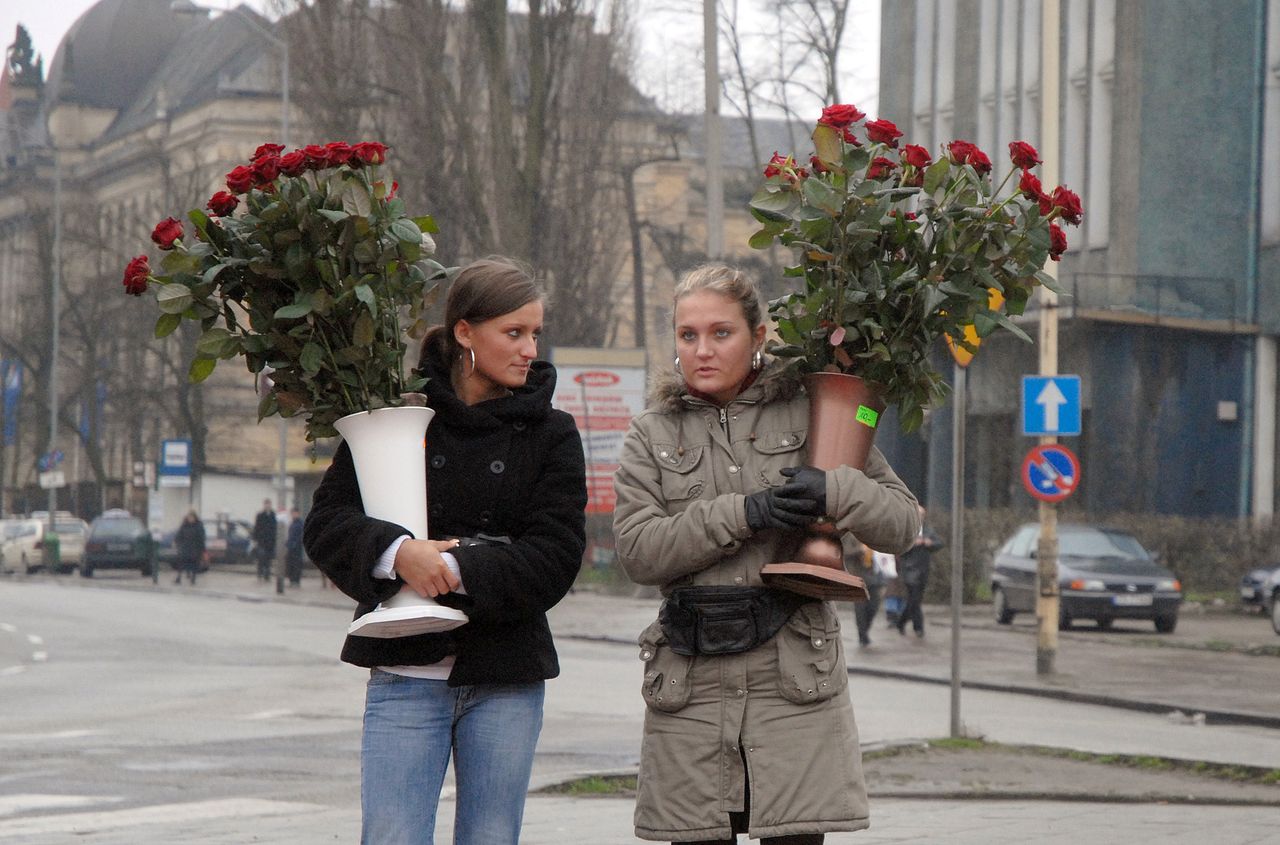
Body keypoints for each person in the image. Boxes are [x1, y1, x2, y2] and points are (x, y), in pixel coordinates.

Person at [612, 264, 920, 844]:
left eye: (720, 333)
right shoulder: (650, 434)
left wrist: (834, 490)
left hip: (794, 685)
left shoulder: (815, 409)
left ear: (758, 336)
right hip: (692, 688)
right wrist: (745, 512)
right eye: (687, 335)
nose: (702, 350)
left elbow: (902, 523)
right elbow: (638, 551)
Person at [304, 257, 587, 845]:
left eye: (535, 332)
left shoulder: (551, 432)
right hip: (406, 670)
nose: (530, 348)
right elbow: (328, 523)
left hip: (506, 674)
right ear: (465, 332)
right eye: (514, 332)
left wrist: (452, 567)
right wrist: (397, 554)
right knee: (392, 838)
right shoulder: (398, 414)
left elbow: (556, 556)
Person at [895, 505, 943, 637]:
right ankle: (918, 628)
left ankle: (901, 622)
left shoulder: (928, 530)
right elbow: (898, 547)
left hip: (923, 570)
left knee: (914, 599)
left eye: (922, 515)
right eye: (918, 515)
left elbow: (939, 543)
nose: (920, 518)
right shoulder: (906, 530)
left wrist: (929, 543)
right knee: (914, 599)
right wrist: (912, 543)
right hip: (909, 569)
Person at [850, 540, 894, 648]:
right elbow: (846, 553)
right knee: (860, 609)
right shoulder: (853, 538)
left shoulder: (877, 541)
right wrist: (859, 550)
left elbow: (885, 562)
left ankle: (865, 629)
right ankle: (862, 635)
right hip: (858, 579)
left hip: (875, 580)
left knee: (873, 607)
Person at [174, 509, 206, 586]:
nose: (190, 519)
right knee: (181, 563)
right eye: (189, 517)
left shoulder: (199, 526)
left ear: (195, 517)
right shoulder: (184, 525)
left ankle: (193, 579)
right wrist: (178, 543)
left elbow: (202, 537)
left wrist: (202, 549)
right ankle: (178, 578)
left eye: (192, 517)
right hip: (185, 547)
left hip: (195, 548)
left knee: (194, 564)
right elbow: (179, 535)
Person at [252, 499, 277, 582]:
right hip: (261, 541)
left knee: (268, 559)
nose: (267, 506)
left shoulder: (273, 515)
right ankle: (260, 573)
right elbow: (256, 528)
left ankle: (267, 575)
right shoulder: (260, 515)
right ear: (264, 505)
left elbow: (275, 528)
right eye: (266, 504)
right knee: (261, 558)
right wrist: (255, 539)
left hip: (270, 542)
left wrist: (275, 539)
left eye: (269, 504)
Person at [285, 507, 305, 587]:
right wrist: (287, 543)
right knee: (291, 564)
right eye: (292, 513)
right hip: (291, 548)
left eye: (295, 513)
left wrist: (295, 543)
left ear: (298, 513)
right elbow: (290, 535)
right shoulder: (292, 523)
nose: (293, 515)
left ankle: (296, 581)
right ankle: (292, 580)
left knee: (297, 565)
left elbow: (301, 536)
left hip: (297, 548)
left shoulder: (300, 523)